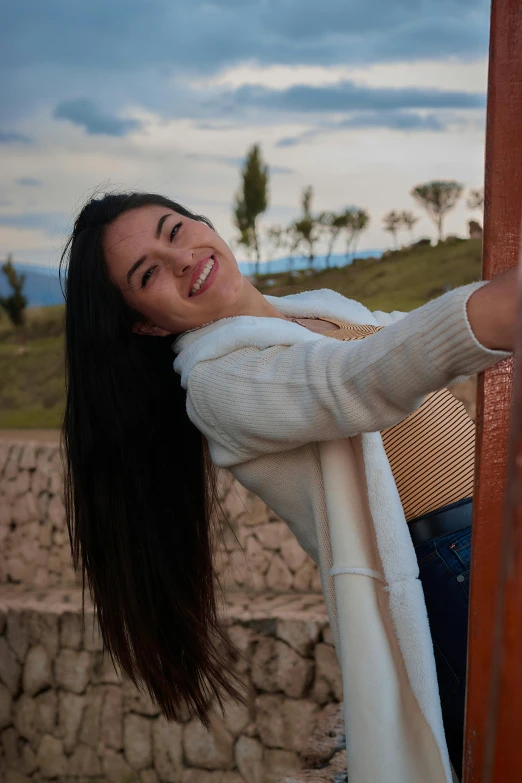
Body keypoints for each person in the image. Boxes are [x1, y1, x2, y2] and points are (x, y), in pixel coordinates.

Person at [60, 192, 515, 783]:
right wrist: (494, 309)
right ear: (144, 322)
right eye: (147, 273)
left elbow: (406, 340)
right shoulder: (218, 385)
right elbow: (354, 380)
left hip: (494, 539)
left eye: (174, 230)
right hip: (452, 570)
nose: (178, 259)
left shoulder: (314, 310)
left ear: (204, 225)